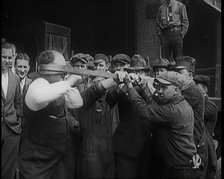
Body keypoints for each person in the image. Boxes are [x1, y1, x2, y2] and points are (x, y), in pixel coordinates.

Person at [123, 71, 202, 179]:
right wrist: (143, 85)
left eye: (164, 88)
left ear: (176, 90)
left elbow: (144, 111)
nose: (159, 91)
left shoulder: (174, 110)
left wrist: (129, 86)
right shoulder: (177, 104)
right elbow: (153, 106)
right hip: (181, 166)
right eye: (158, 87)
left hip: (182, 171)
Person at [18, 50, 83, 179]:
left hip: (58, 156)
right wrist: (68, 82)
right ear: (50, 68)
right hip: (37, 160)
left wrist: (69, 86)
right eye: (61, 67)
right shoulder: (37, 83)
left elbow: (77, 103)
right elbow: (38, 97)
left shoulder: (57, 86)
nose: (64, 71)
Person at [75, 55, 125, 179]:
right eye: (97, 82)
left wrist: (127, 79)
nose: (103, 88)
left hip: (107, 153)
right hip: (90, 154)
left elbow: (117, 93)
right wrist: (114, 80)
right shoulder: (85, 100)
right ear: (91, 83)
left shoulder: (107, 102)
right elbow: (95, 91)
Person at [106, 54, 152, 178]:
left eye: (140, 72)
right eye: (134, 72)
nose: (137, 75)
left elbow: (153, 107)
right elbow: (109, 101)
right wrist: (122, 87)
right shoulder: (124, 88)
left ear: (145, 74)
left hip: (145, 148)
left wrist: (145, 86)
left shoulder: (151, 88)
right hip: (126, 147)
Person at [170, 56, 208, 178]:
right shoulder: (184, 89)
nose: (176, 75)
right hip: (189, 146)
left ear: (190, 76)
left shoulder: (192, 92)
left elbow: (171, 108)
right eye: (175, 72)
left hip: (194, 149)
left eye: (180, 72)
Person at [1, 42, 22, 179]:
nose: (7, 61)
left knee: (8, 170)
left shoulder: (15, 79)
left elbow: (18, 103)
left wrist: (18, 120)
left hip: (11, 130)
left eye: (10, 58)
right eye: (3, 57)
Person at [194, 74, 218, 179]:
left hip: (207, 149)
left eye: (196, 87)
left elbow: (198, 113)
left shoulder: (211, 106)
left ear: (204, 90)